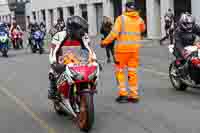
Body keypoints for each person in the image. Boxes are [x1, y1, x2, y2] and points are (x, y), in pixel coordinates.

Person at [101, 2, 146, 103]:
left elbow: (113, 34)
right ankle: (134, 96)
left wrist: (104, 42)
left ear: (126, 8)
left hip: (122, 51)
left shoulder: (121, 19)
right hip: (134, 50)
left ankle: (123, 95)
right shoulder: (139, 19)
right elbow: (143, 29)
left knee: (120, 72)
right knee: (132, 72)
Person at [48, 16, 90, 99]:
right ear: (72, 29)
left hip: (78, 60)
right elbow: (53, 52)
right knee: (52, 73)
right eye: (80, 30)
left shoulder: (84, 36)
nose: (82, 33)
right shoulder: (59, 36)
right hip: (62, 60)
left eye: (83, 30)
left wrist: (94, 60)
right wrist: (53, 63)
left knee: (87, 75)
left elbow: (89, 50)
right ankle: (53, 90)